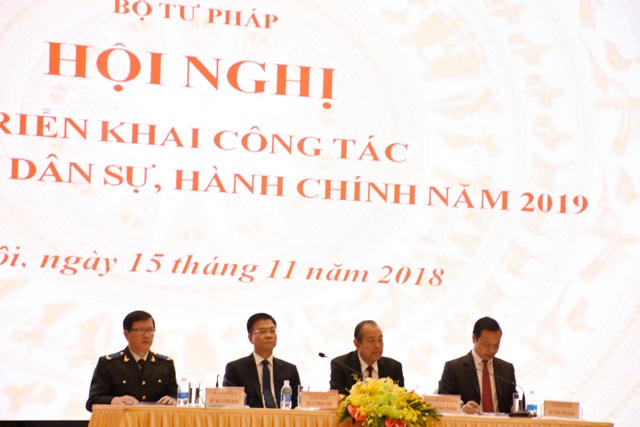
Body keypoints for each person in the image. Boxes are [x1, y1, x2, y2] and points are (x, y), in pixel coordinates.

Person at [85, 310, 177, 411]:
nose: (146, 335)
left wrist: (173, 399)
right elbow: (92, 401)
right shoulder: (109, 364)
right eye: (140, 330)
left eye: (150, 330)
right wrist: (114, 400)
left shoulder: (165, 364)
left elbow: (175, 395)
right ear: (126, 334)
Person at [437, 316, 516, 414]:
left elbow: (514, 405)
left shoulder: (507, 369)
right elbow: (442, 405)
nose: (491, 350)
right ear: (474, 338)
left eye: (496, 345)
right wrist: (462, 409)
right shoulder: (454, 368)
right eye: (487, 345)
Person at [223, 313, 301, 408]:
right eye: (262, 331)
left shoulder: (290, 370)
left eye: (272, 331)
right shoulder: (235, 369)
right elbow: (229, 405)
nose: (268, 335)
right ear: (250, 338)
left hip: (282, 417)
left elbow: (299, 405)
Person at [329, 320, 404, 393]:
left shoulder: (394, 367)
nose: (377, 346)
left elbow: (402, 398)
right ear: (357, 344)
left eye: (380, 340)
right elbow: (336, 399)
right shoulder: (341, 366)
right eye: (371, 341)